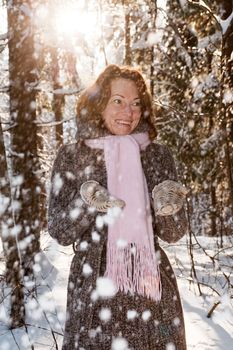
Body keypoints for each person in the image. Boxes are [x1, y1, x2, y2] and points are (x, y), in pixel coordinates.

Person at [48, 64, 188, 350]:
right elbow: (59, 230)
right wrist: (86, 203)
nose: (129, 112)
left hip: (151, 288)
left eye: (136, 103)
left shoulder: (157, 155)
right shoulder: (73, 156)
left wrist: (169, 209)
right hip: (93, 288)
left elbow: (174, 233)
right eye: (118, 101)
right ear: (99, 104)